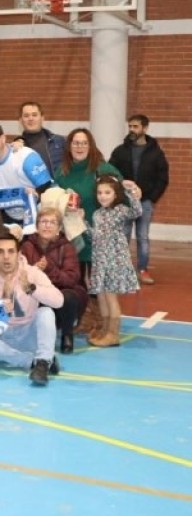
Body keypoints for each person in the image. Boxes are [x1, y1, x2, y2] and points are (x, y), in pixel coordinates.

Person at [0, 233, 63, 386]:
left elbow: (59, 301)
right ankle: (34, 362)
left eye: (11, 251)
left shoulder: (33, 273)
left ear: (19, 254)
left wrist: (32, 289)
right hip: (3, 338)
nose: (6, 257)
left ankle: (42, 361)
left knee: (46, 313)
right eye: (0, 252)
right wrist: (2, 303)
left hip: (28, 335)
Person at [54, 127, 121, 280]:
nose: (80, 147)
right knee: (75, 281)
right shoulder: (61, 171)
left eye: (84, 143)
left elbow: (121, 192)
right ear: (69, 146)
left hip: (97, 235)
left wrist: (133, 188)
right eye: (76, 143)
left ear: (90, 146)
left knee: (98, 287)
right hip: (72, 236)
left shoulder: (103, 169)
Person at [109, 114, 169, 285]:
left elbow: (163, 178)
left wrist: (151, 198)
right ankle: (122, 270)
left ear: (145, 128)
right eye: (130, 126)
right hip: (125, 202)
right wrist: (119, 194)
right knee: (124, 236)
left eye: (135, 127)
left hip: (145, 203)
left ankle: (142, 270)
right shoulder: (120, 151)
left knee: (142, 237)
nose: (132, 130)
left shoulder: (156, 153)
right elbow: (110, 173)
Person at [21, 207, 87, 354]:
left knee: (69, 296)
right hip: (37, 291)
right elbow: (20, 274)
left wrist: (49, 269)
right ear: (37, 226)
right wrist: (34, 271)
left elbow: (71, 278)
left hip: (61, 290)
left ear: (59, 228)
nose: (47, 225)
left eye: (52, 222)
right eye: (43, 221)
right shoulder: (26, 246)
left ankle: (67, 334)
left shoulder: (67, 247)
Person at [87, 175, 143, 348]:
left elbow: (137, 211)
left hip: (114, 260)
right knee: (102, 296)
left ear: (115, 194)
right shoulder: (97, 214)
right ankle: (105, 329)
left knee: (111, 297)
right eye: (100, 192)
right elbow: (95, 236)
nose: (103, 196)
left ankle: (113, 334)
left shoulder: (120, 210)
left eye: (107, 192)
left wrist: (129, 190)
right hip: (100, 260)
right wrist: (82, 222)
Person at [0, 121, 56, 221]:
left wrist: (35, 194)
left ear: (3, 138)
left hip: (38, 212)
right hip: (7, 216)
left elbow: (46, 185)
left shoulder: (25, 156)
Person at [16, 101, 66, 177]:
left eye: (34, 115)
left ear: (42, 118)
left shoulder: (59, 141)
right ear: (20, 120)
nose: (30, 118)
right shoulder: (17, 148)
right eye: (26, 116)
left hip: (57, 188)